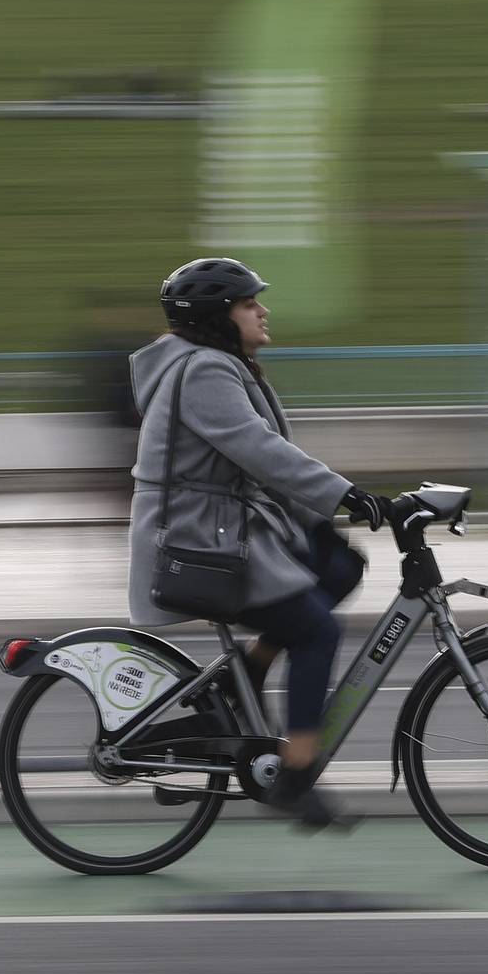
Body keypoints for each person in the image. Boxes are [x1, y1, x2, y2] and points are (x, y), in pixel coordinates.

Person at [126, 257, 391, 828]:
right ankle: (296, 774)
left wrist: (329, 518)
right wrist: (350, 495)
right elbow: (260, 451)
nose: (262, 310)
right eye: (250, 304)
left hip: (222, 525)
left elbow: (259, 464)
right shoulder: (203, 371)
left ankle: (242, 674)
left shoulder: (212, 362)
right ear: (219, 317)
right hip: (197, 541)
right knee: (317, 628)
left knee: (337, 565)